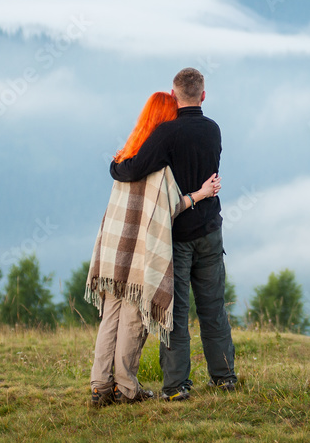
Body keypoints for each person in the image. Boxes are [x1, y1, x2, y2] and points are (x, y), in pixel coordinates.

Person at [86, 91, 221, 406]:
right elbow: (169, 208)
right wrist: (201, 194)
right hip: (137, 256)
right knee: (134, 318)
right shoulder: (159, 168)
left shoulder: (126, 156)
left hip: (110, 250)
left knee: (110, 317)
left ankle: (99, 386)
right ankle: (125, 388)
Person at [110, 68, 237, 401]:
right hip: (211, 229)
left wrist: (115, 166)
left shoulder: (166, 133)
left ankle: (177, 387)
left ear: (174, 94)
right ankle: (224, 377)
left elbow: (134, 169)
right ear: (203, 95)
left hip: (177, 235)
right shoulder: (213, 130)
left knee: (176, 313)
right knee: (213, 308)